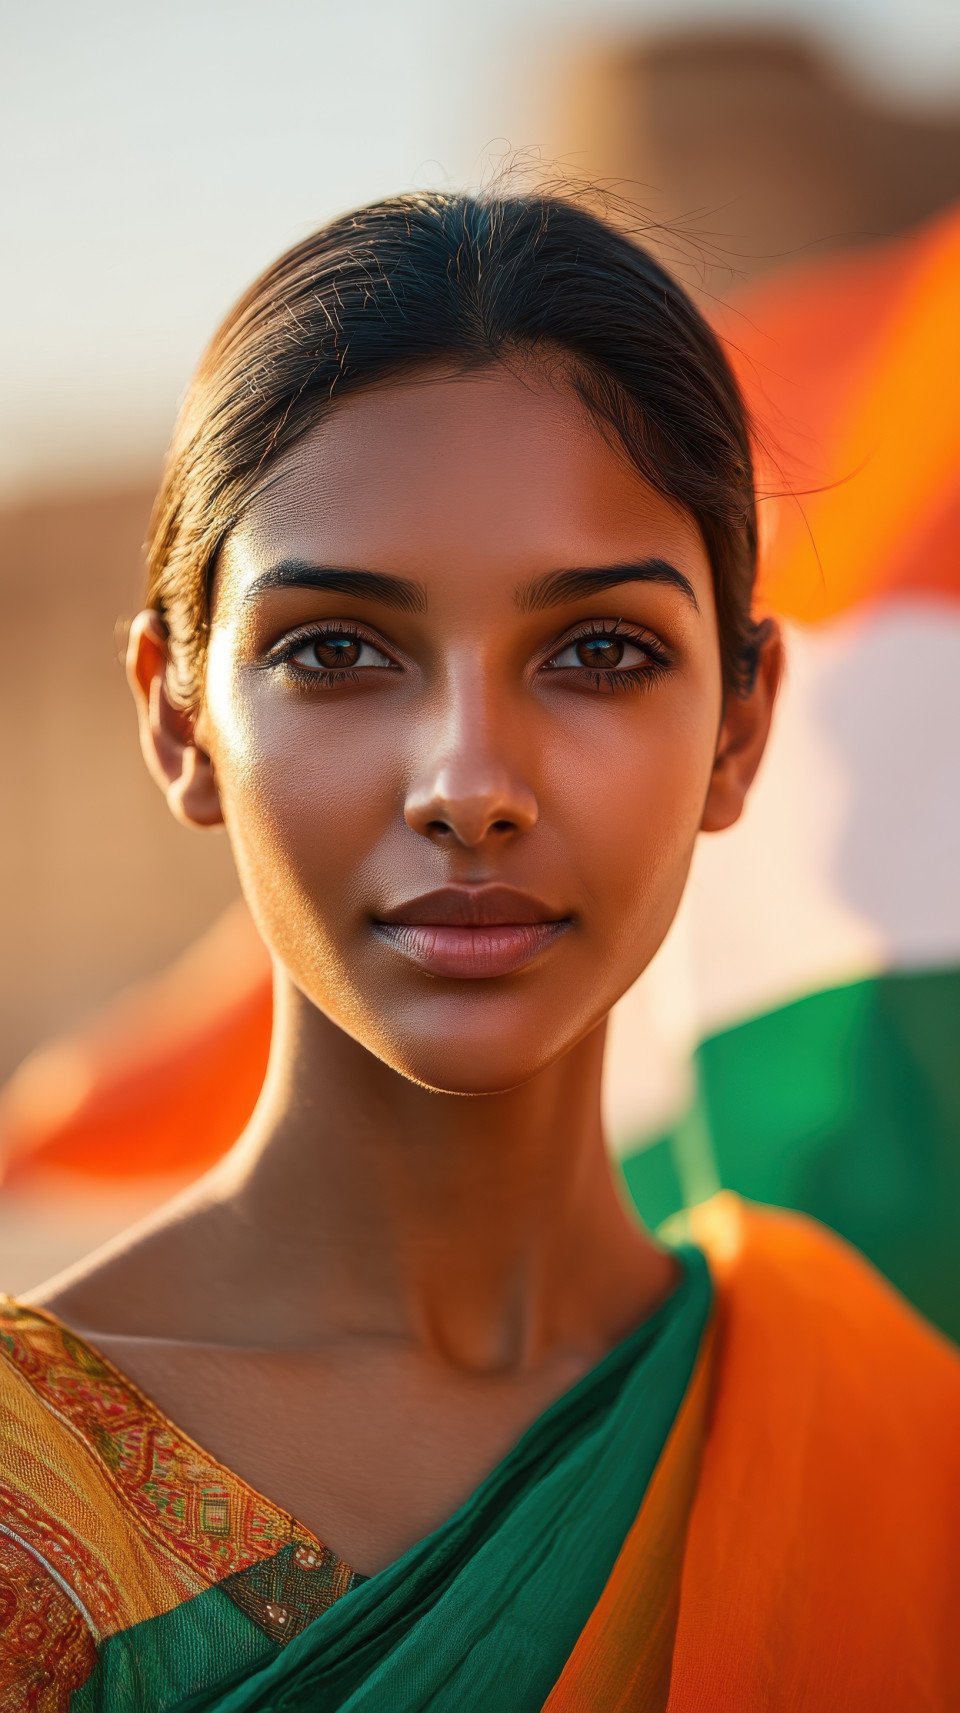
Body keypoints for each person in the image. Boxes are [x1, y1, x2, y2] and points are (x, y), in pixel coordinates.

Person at [0, 192, 956, 1713]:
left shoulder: (904, 1450)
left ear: (741, 726)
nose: (470, 782)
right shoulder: (20, 1497)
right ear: (177, 718)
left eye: (599, 653)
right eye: (338, 649)